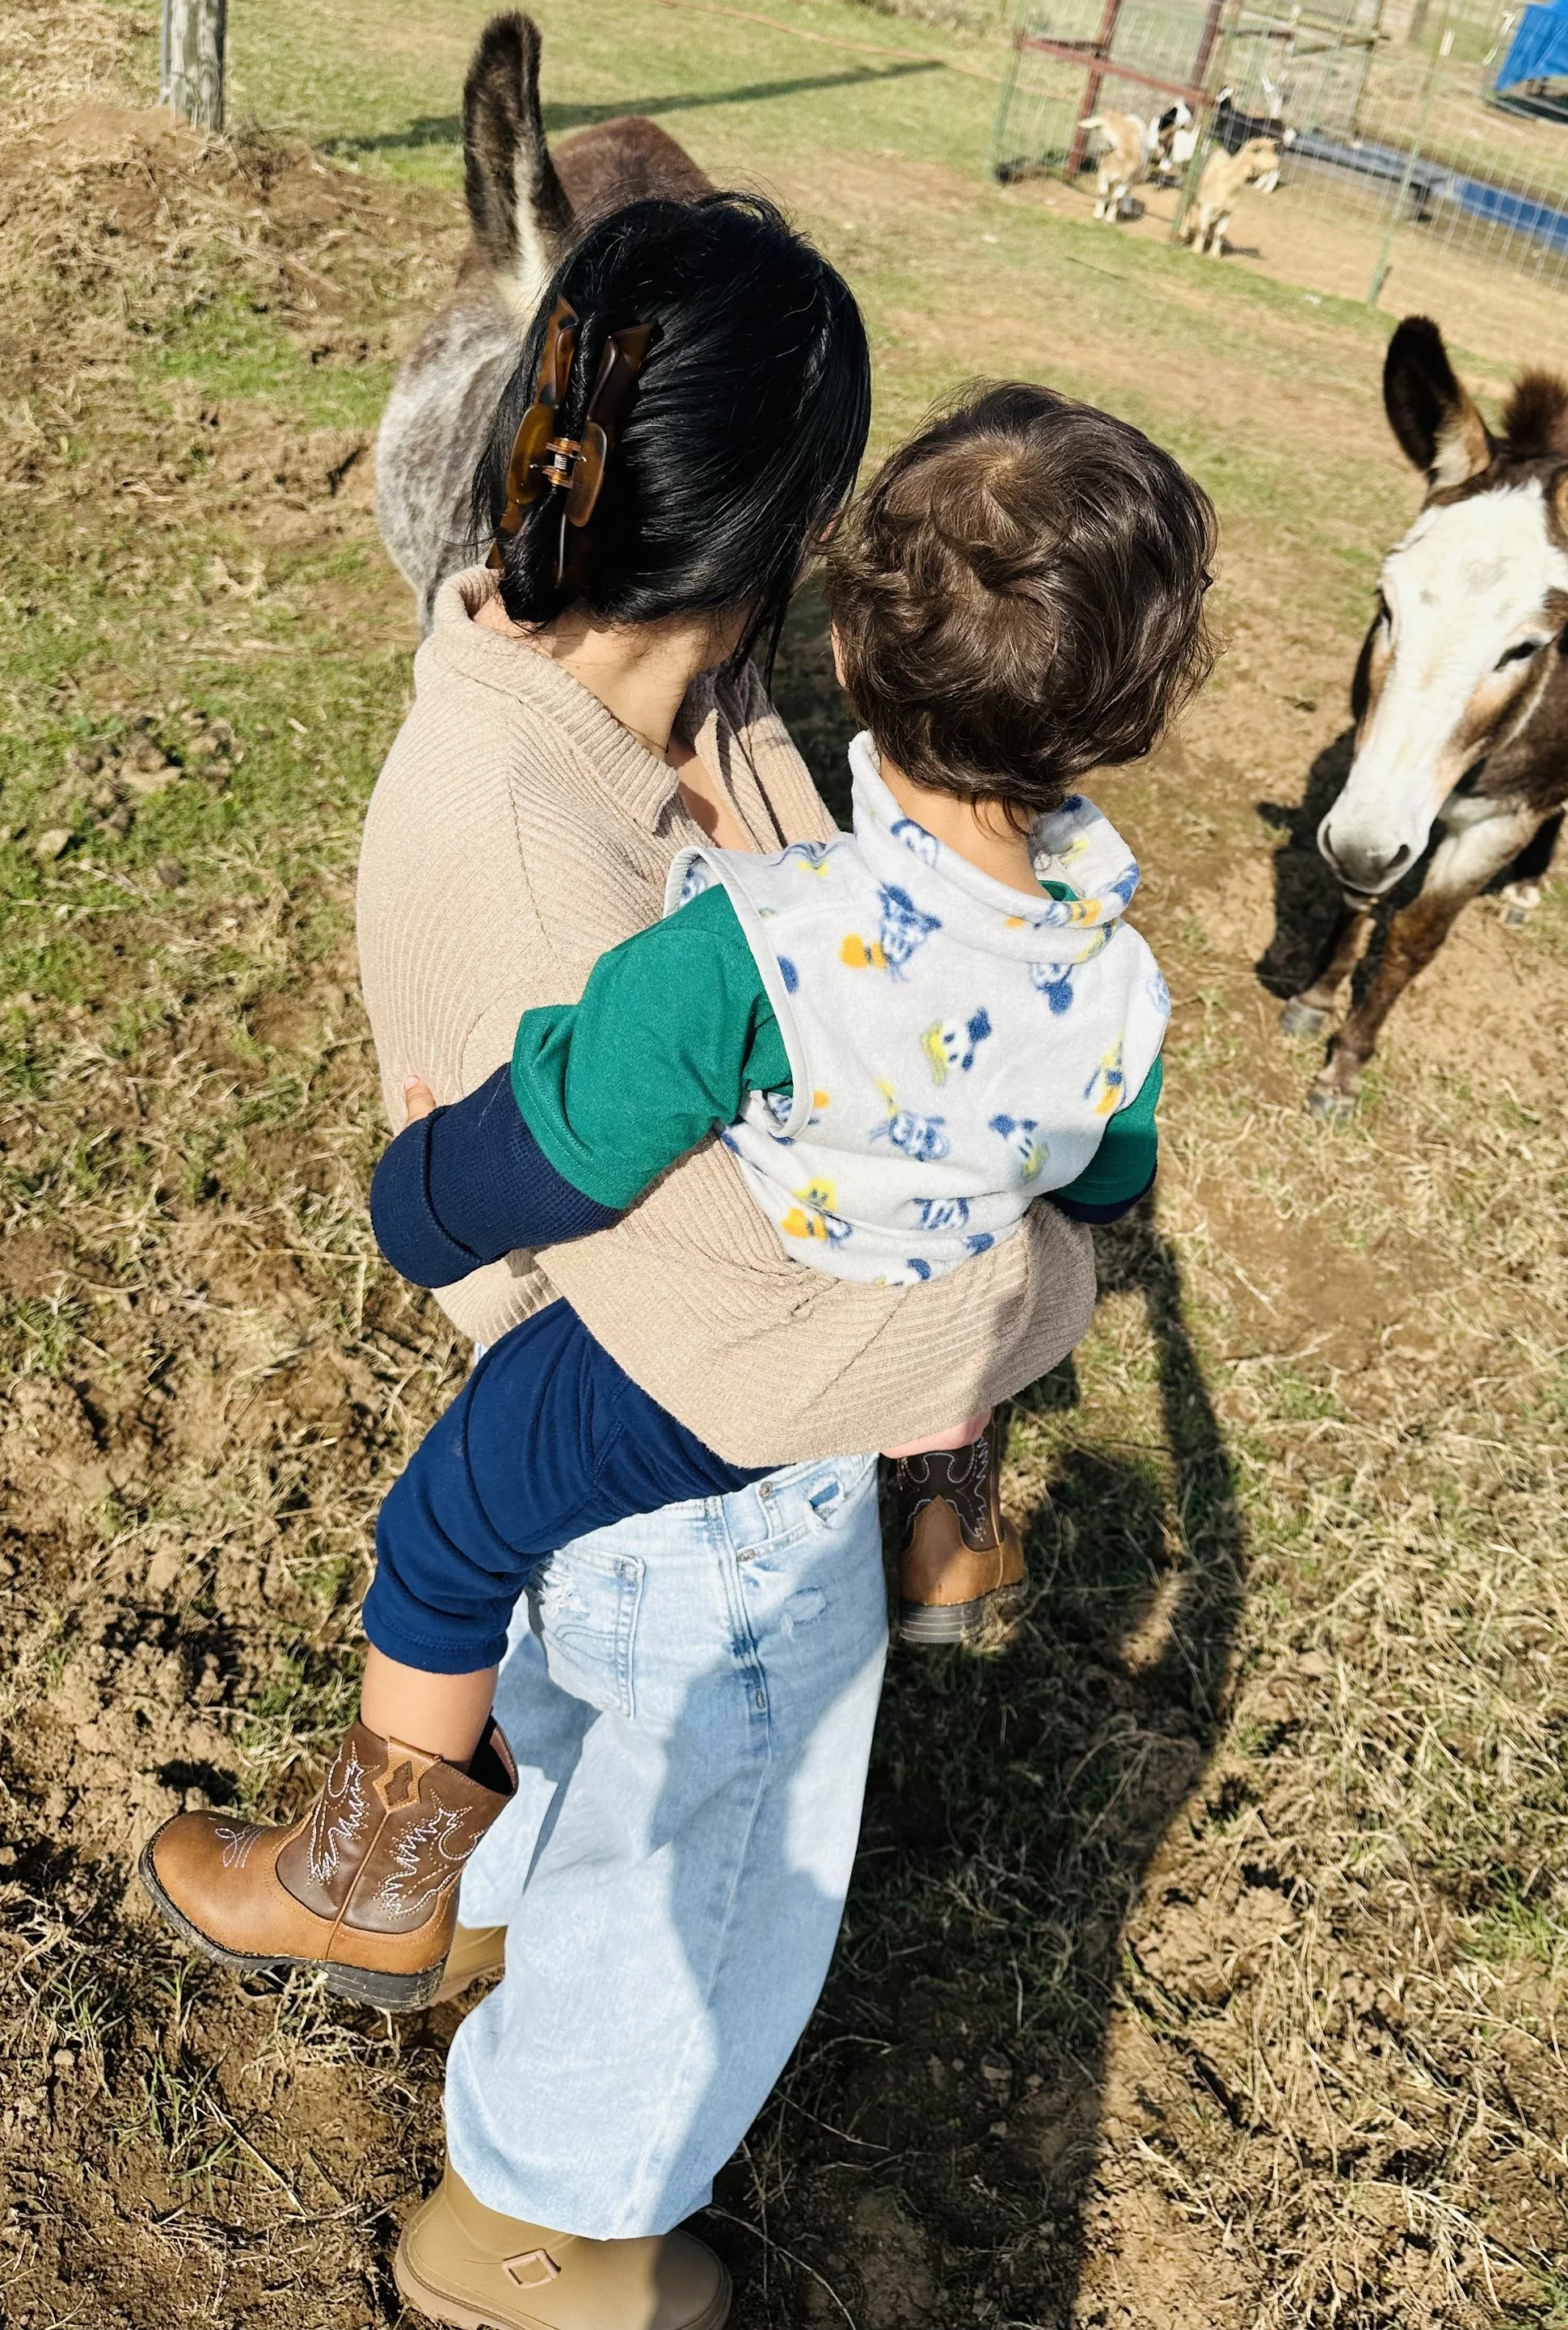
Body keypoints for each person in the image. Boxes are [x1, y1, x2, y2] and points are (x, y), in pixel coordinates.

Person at [133, 191, 1106, 2330]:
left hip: (606, 1424)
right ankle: (543, 2219)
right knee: (718, 1837)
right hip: (707, 1476)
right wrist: (1042, 1287)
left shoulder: (676, 703)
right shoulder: (516, 831)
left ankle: (471, 1894)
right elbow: (751, 1344)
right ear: (787, 523)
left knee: (595, 1721)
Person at [329, 376, 1213, 1796]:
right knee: (960, 1194)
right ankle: (946, 1527)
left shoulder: (757, 939)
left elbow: (568, 1141)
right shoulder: (1122, 989)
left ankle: (367, 1870)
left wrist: (421, 1200)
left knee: (455, 1517)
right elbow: (1108, 1180)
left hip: (710, 1369)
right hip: (934, 1317)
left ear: (851, 660)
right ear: (1124, 715)